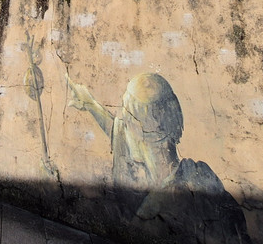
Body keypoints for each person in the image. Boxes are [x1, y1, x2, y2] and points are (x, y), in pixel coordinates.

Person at [67, 71, 251, 243]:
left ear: (140, 129)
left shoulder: (166, 204)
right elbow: (120, 133)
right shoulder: (201, 176)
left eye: (127, 114)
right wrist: (90, 103)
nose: (121, 121)